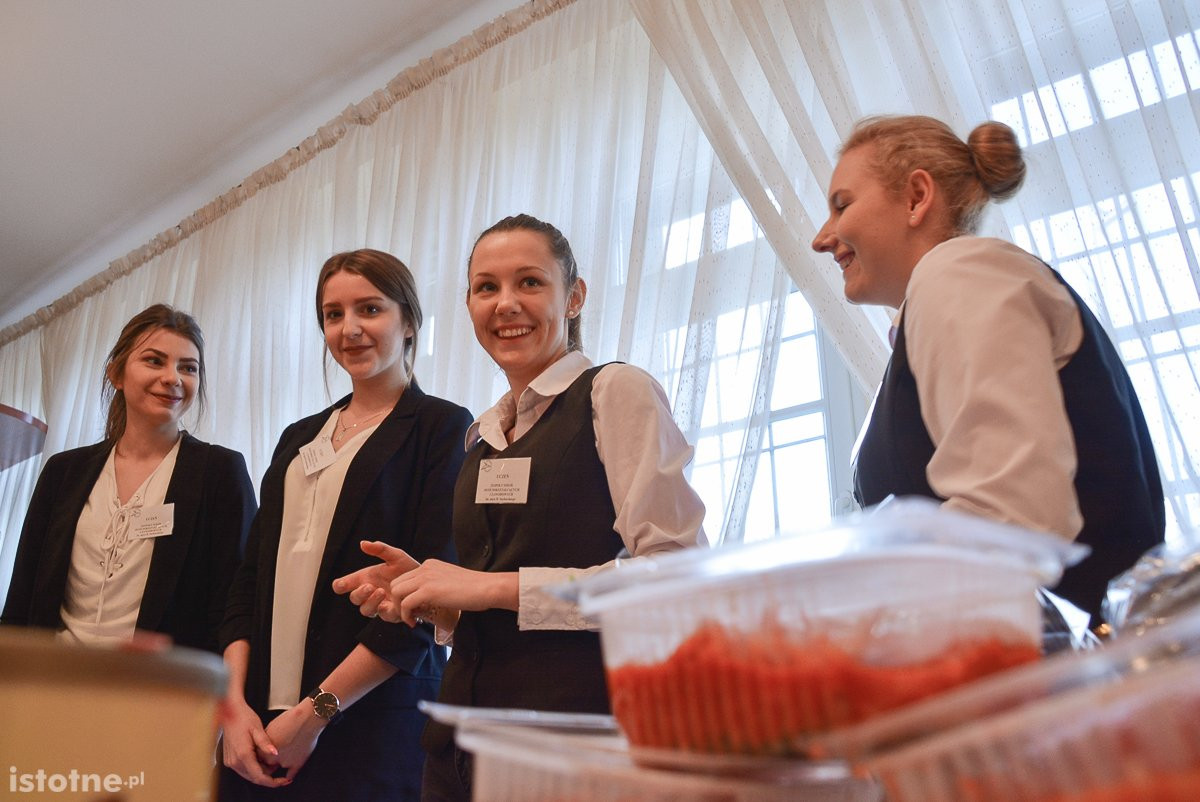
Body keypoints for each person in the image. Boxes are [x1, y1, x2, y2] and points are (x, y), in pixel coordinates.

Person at [334, 214, 707, 801]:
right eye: (486, 287)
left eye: (529, 282)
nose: (505, 303)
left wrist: (487, 587)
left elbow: (676, 576)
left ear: (574, 296)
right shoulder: (482, 436)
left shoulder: (614, 391)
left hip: (574, 748)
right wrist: (433, 599)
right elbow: (505, 612)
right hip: (460, 750)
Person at [811, 114, 1165, 624]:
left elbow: (1010, 519)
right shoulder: (943, 301)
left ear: (916, 198)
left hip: (1061, 660)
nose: (822, 238)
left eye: (842, 205)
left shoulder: (955, 272)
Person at [218, 250, 472, 800]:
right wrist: (232, 705)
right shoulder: (297, 437)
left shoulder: (443, 427)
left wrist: (315, 713)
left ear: (409, 322)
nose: (349, 328)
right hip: (258, 725)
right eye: (333, 314)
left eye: (370, 309)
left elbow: (428, 592)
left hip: (372, 724)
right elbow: (249, 579)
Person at [1, 303, 255, 652]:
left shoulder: (220, 471)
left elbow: (234, 605)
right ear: (116, 374)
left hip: (156, 681)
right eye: (154, 361)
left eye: (188, 367)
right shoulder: (64, 472)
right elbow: (21, 597)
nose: (173, 378)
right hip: (55, 676)